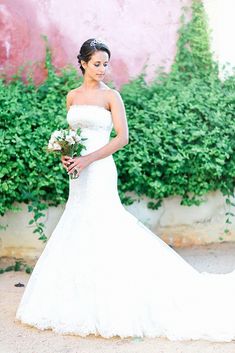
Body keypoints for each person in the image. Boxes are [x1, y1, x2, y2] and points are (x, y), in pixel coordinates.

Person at [15, 38, 235, 342]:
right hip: (77, 172)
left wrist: (88, 159)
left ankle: (116, 295)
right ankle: (79, 298)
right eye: (96, 63)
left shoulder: (112, 97)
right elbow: (72, 135)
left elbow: (122, 138)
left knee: (105, 222)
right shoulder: (72, 96)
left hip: (100, 168)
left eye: (106, 64)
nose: (102, 69)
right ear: (82, 63)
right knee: (78, 221)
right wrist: (68, 155)